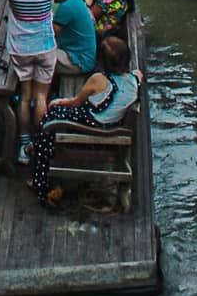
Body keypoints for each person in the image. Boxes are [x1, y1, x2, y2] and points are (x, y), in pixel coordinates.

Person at [30, 35, 143, 203]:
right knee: (55, 115)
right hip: (111, 130)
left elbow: (75, 102)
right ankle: (39, 151)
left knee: (48, 121)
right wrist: (134, 74)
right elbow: (138, 74)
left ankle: (40, 180)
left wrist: (58, 102)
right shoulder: (134, 81)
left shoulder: (98, 80)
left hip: (89, 128)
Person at [0, 0, 59, 165]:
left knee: (25, 97)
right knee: (41, 96)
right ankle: (40, 143)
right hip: (45, 46)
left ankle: (24, 145)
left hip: (21, 48)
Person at [51, 0, 97, 75]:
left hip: (78, 61)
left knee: (35, 55)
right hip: (82, 54)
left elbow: (50, 34)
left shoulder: (66, 7)